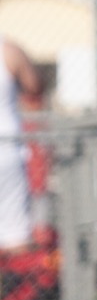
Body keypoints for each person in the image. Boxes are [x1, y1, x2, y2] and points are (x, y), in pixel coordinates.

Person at [0, 35, 43, 251]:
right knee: (15, 238)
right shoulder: (9, 51)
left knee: (15, 238)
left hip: (8, 150)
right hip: (8, 152)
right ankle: (16, 282)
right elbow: (35, 88)